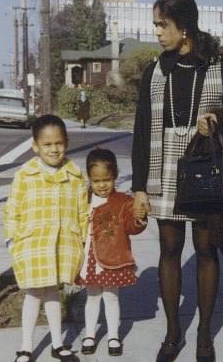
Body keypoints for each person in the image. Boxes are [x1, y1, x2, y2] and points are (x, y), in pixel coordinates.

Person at [131, 0, 223, 362]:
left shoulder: (218, 67)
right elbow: (141, 130)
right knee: (168, 249)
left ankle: (204, 336)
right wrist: (138, 188)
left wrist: (215, 122)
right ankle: (172, 333)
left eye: (163, 25)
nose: (158, 33)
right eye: (156, 26)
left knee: (206, 250)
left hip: (204, 168)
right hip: (162, 167)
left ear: (185, 26)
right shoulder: (155, 70)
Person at [4, 114, 88, 362]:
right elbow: (12, 209)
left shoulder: (74, 174)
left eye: (59, 143)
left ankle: (57, 344)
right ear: (35, 146)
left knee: (53, 291)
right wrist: (12, 241)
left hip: (63, 244)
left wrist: (82, 240)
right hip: (32, 243)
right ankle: (26, 346)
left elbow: (82, 211)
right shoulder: (25, 175)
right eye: (47, 144)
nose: (54, 149)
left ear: (67, 142)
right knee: (33, 293)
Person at [75, 148, 148, 357]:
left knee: (111, 297)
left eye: (107, 179)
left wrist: (138, 217)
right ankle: (90, 334)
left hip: (112, 258)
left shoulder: (124, 202)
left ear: (115, 175)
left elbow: (132, 227)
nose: (102, 185)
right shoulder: (83, 199)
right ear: (89, 178)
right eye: (96, 181)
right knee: (92, 297)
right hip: (88, 257)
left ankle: (113, 336)